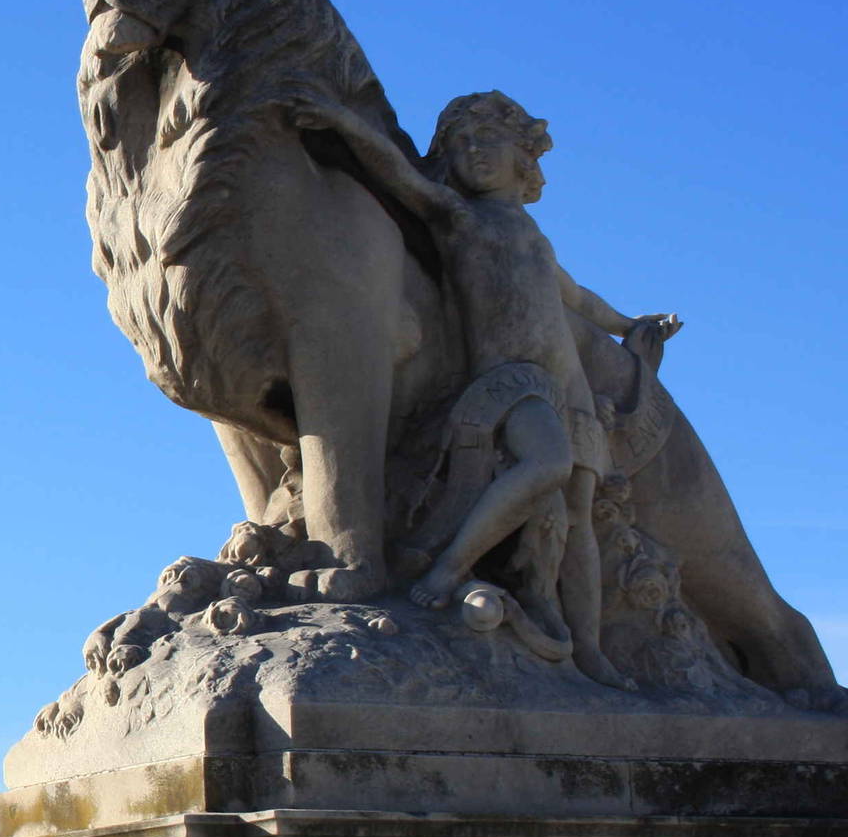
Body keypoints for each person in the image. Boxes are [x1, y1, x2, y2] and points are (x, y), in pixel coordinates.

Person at [288, 88, 680, 689]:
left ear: (524, 155)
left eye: (486, 141)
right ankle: (449, 567)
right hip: (509, 382)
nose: (473, 152)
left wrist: (630, 326)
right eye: (461, 144)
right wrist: (343, 121)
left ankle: (587, 648)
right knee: (545, 463)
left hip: (565, 387)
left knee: (575, 520)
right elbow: (396, 171)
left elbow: (576, 300)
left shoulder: (531, 235)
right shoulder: (457, 216)